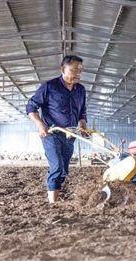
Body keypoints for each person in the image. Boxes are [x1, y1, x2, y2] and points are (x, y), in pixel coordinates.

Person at [26, 55, 87, 204]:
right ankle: (53, 203)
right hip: (51, 133)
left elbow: (82, 112)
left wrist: (83, 126)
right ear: (62, 69)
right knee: (58, 166)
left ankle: (54, 191)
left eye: (80, 71)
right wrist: (41, 125)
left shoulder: (81, 90)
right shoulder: (49, 86)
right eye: (73, 70)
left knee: (64, 169)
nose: (77, 74)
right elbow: (31, 107)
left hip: (70, 135)